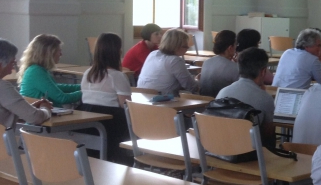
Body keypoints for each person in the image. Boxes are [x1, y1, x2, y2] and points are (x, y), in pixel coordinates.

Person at [78, 32, 133, 164]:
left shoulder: (87, 73)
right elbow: (125, 106)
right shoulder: (116, 76)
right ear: (117, 52)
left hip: (86, 123)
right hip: (111, 125)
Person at [216, 48, 276, 147]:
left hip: (219, 148)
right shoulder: (265, 98)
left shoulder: (223, 91)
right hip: (245, 154)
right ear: (263, 71)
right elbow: (268, 134)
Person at [18, 34, 82, 106]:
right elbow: (62, 98)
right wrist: (87, 92)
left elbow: (55, 87)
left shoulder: (37, 69)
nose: (61, 54)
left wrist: (83, 86)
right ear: (49, 53)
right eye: (59, 51)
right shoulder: (36, 71)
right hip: (40, 115)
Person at [0, 39, 52, 128]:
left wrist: (29, 108)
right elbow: (35, 118)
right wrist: (45, 108)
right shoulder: (3, 87)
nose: (15, 62)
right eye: (12, 60)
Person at [137, 29, 200, 96]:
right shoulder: (175, 61)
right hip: (162, 102)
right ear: (176, 46)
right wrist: (198, 80)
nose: (187, 49)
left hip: (141, 100)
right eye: (186, 46)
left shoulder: (153, 54)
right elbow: (191, 86)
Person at [199, 30, 238, 97]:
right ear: (230, 48)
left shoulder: (206, 62)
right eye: (235, 45)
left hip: (204, 103)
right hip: (222, 104)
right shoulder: (234, 67)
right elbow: (240, 89)